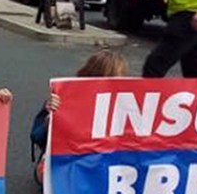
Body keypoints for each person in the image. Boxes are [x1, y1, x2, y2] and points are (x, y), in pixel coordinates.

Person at [29, 49, 128, 183]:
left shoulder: (127, 104)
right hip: (71, 159)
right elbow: (37, 136)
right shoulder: (66, 99)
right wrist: (50, 119)